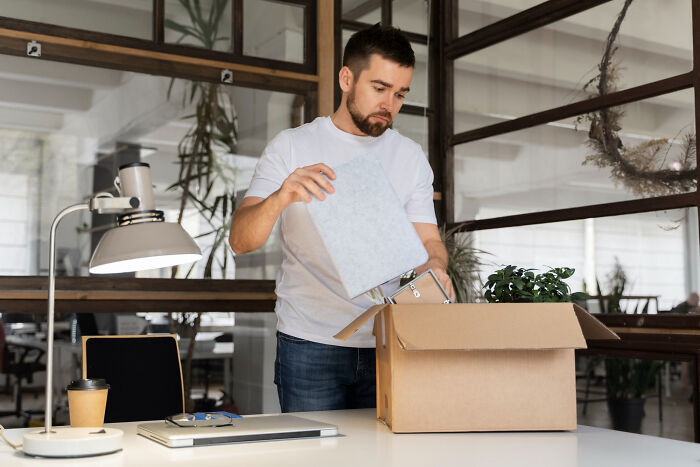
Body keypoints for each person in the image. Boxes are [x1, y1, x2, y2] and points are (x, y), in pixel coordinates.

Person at [228, 24, 453, 412]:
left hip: (387, 338)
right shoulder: (292, 146)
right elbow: (240, 240)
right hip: (310, 342)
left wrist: (434, 268)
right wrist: (282, 196)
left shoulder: (410, 157)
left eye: (400, 94)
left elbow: (428, 244)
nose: (390, 104)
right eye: (379, 89)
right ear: (346, 78)